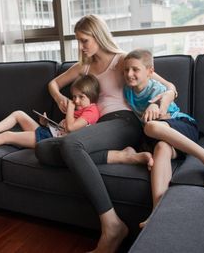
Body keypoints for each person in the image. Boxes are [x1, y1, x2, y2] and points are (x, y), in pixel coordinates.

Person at [35, 14, 177, 253]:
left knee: (70, 145)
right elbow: (53, 84)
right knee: (42, 149)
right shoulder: (85, 66)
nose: (81, 47)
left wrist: (164, 99)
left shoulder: (121, 60)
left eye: (84, 40)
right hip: (96, 128)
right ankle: (124, 156)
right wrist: (59, 98)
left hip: (124, 122)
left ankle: (112, 225)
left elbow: (169, 86)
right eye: (78, 41)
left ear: (98, 36)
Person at [122, 49, 204, 228]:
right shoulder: (128, 91)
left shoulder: (156, 87)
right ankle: (157, 212)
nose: (129, 74)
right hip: (163, 139)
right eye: (126, 70)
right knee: (160, 148)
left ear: (149, 71)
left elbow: (165, 102)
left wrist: (157, 106)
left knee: (151, 126)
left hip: (182, 126)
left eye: (135, 69)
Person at [0, 74, 101, 148]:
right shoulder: (81, 108)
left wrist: (69, 109)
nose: (75, 101)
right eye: (74, 97)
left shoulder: (91, 111)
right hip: (50, 133)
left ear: (92, 97)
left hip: (50, 142)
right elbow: (63, 128)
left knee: (8, 135)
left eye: (81, 97)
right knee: (19, 114)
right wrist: (46, 123)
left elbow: (71, 128)